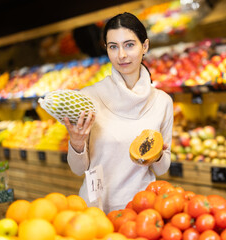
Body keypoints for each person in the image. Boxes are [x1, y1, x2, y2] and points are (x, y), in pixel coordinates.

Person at [63, 12, 173, 214]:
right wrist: (77, 144)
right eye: (113, 47)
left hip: (141, 210)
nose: (121, 55)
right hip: (96, 210)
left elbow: (162, 168)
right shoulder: (89, 98)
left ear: (145, 46)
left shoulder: (162, 102)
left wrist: (157, 155)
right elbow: (78, 169)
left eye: (129, 45)